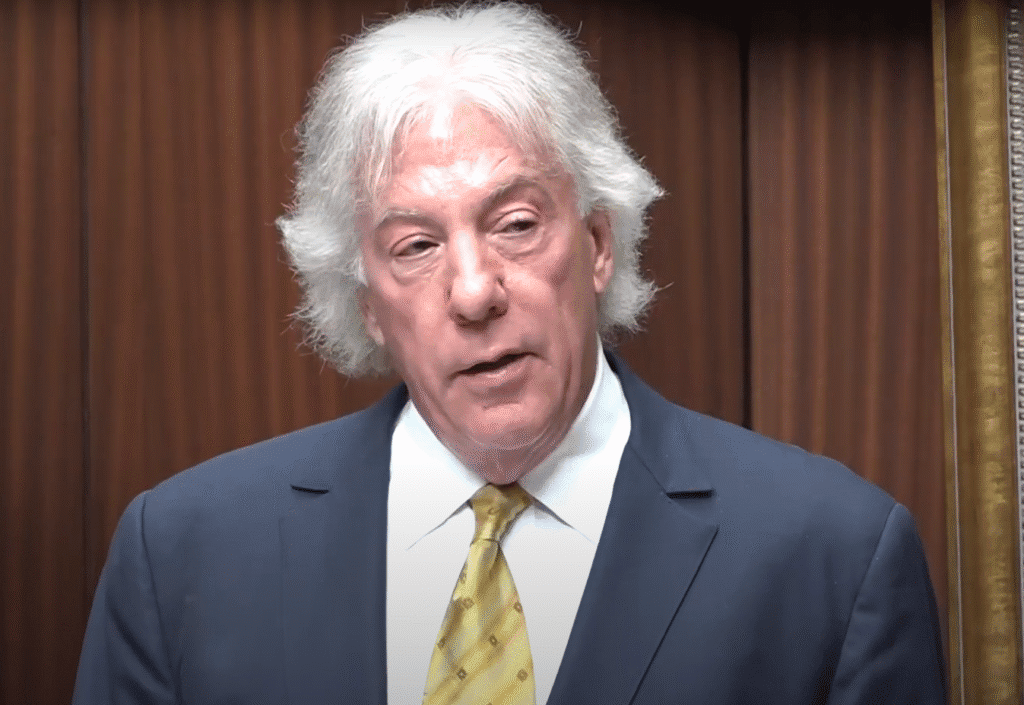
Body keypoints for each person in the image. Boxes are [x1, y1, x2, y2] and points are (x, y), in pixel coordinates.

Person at [72, 3, 947, 704]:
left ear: (599, 242)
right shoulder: (182, 551)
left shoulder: (833, 556)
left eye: (516, 225)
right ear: (368, 301)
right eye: (414, 245)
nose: (473, 291)